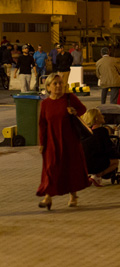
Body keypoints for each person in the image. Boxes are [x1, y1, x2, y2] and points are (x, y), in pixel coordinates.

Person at [36, 75, 90, 208]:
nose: (58, 86)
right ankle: (48, 197)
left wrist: (74, 111)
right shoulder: (45, 103)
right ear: (48, 87)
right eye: (55, 83)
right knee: (50, 168)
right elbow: (42, 124)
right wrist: (42, 143)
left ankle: (73, 195)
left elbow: (83, 109)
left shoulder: (69, 98)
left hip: (70, 140)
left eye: (60, 83)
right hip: (51, 141)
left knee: (70, 167)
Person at [80, 109, 120, 186]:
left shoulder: (83, 131)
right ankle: (97, 176)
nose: (103, 116)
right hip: (95, 164)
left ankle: (87, 177)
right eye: (100, 115)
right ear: (96, 119)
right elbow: (109, 150)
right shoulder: (102, 131)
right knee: (115, 162)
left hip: (83, 164)